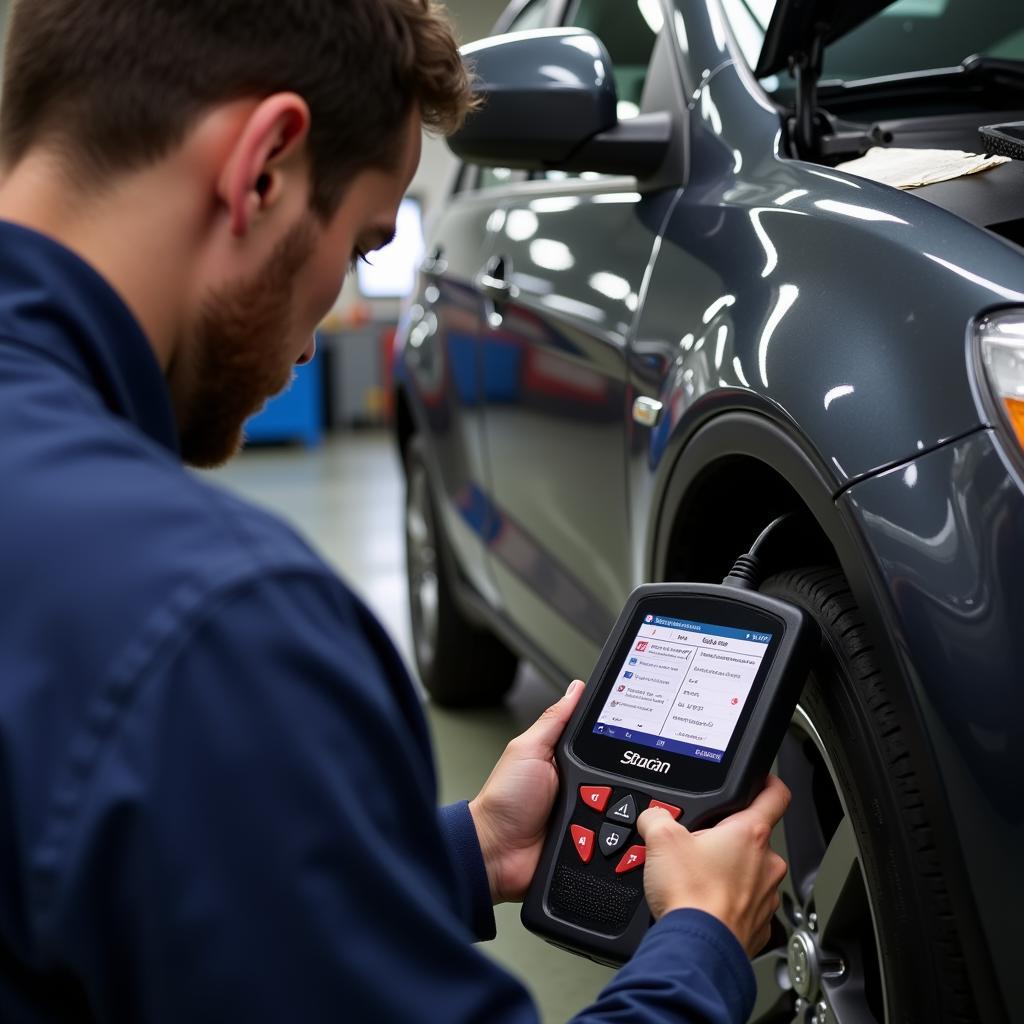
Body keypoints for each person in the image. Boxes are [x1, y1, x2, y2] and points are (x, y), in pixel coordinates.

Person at [0, 1, 790, 1020]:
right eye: (367, 243)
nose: (336, 301)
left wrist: (458, 852)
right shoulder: (214, 628)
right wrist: (702, 942)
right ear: (266, 167)